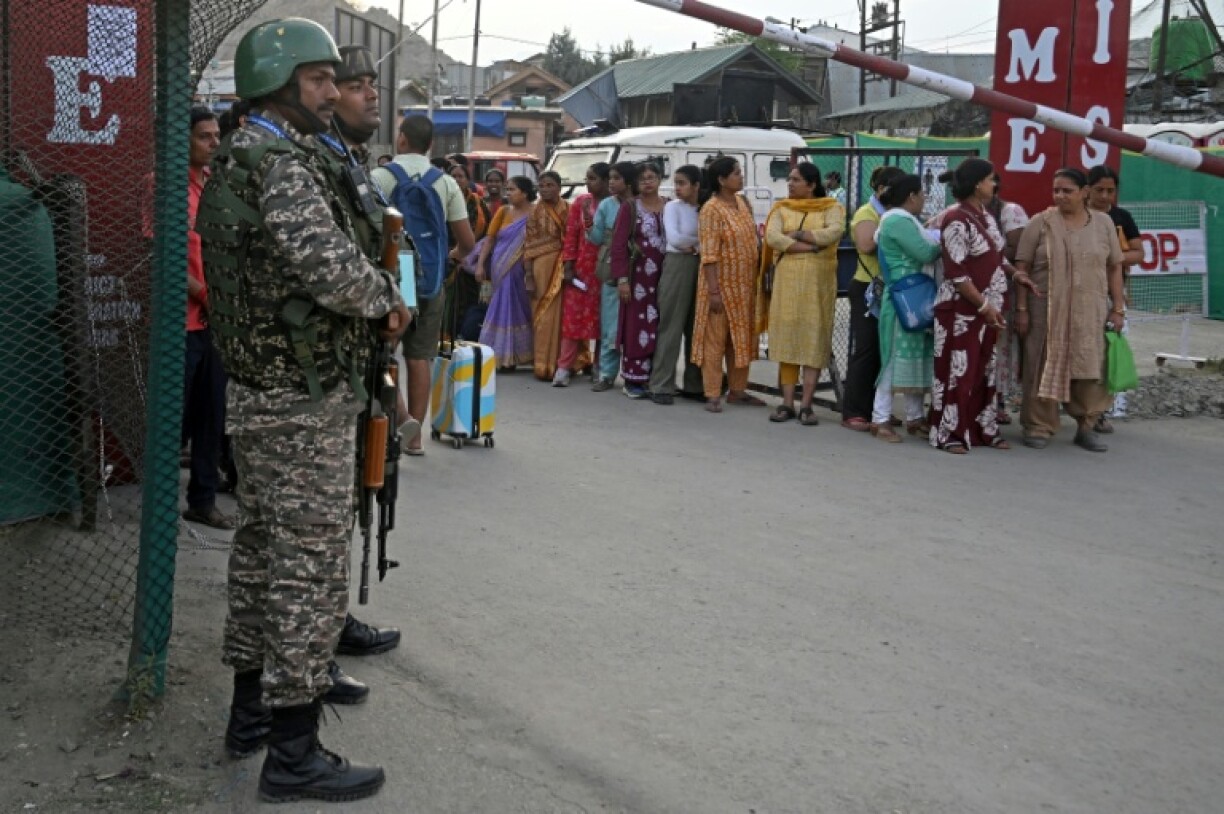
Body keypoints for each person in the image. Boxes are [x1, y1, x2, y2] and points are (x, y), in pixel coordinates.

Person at [197, 18, 412, 802]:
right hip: (301, 398)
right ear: (284, 83)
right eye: (319, 80)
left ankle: (249, 712)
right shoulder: (279, 162)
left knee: (259, 554)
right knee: (307, 569)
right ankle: (292, 750)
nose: (332, 92)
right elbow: (326, 265)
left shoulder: (238, 153)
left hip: (263, 392)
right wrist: (387, 300)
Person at [311, 42, 404, 697]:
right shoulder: (313, 165)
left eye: (374, 83)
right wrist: (385, 300)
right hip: (320, 367)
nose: (370, 94)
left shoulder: (354, 164)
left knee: (349, 500)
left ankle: (330, 621)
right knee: (316, 521)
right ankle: (311, 646)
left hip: (359, 358)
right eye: (354, 84)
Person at [371, 116, 476, 456]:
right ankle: (414, 438)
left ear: (401, 140)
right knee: (420, 358)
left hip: (393, 276)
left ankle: (400, 420)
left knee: (382, 353)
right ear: (430, 145)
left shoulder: (381, 177)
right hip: (429, 276)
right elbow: (468, 242)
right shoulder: (444, 183)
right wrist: (450, 258)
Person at [929, 158, 1039, 454]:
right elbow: (956, 273)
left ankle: (982, 430)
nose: (995, 185)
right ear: (978, 184)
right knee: (957, 372)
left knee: (984, 370)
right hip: (960, 311)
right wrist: (983, 305)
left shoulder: (987, 217)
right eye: (991, 179)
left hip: (987, 310)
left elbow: (994, 256)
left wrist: (1017, 275)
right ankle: (949, 433)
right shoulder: (954, 219)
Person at [1014, 167, 1125, 453]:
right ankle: (1039, 425)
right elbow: (1022, 268)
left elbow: (1114, 266)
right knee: (1041, 365)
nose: (1060, 196)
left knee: (1089, 367)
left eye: (1067, 191)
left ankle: (1086, 426)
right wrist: (1022, 309)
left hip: (1091, 312)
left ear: (1084, 192)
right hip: (1046, 311)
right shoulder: (1041, 223)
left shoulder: (1103, 224)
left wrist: (1118, 308)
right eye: (1056, 191)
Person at [761, 163, 845, 426]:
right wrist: (808, 248)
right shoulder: (781, 208)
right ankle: (786, 403)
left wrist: (797, 233)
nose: (790, 183)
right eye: (789, 179)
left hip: (818, 285)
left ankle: (806, 406)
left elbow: (833, 233)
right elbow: (772, 237)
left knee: (812, 340)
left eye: (796, 180)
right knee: (788, 340)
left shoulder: (832, 208)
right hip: (787, 283)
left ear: (811, 184)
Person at [181, 106, 232, 530]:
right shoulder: (162, 187)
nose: (214, 143)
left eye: (216, 135)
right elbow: (160, 252)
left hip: (214, 323)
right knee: (175, 417)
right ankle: (160, 501)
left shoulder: (214, 185)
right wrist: (203, 294)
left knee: (213, 414)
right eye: (204, 136)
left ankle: (202, 498)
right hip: (180, 324)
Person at [692, 157, 765, 413]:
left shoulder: (743, 204)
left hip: (744, 287)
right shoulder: (711, 209)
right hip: (720, 286)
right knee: (715, 340)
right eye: (736, 173)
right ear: (722, 180)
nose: (741, 177)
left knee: (740, 340)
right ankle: (712, 393)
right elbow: (709, 255)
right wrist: (713, 291)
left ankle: (737, 390)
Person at [871, 174, 940, 442]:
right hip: (903, 298)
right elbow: (925, 253)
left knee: (915, 359)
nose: (924, 200)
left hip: (913, 296)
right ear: (911, 196)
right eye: (922, 195)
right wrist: (943, 241)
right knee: (892, 359)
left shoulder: (902, 220)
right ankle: (880, 419)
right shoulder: (898, 221)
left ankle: (914, 418)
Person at [841, 165, 905, 431]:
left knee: (885, 352)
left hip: (889, 289)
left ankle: (878, 410)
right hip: (868, 288)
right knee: (866, 350)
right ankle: (854, 411)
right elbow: (866, 245)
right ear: (880, 189)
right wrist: (894, 232)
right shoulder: (867, 213)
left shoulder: (896, 214)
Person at [1087, 164, 1143, 432]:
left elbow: (1138, 253)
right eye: (1100, 190)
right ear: (1088, 189)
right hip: (1081, 295)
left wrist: (1112, 259)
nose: (1105, 196)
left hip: (1112, 297)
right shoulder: (1079, 215)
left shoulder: (1121, 217)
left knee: (1111, 353)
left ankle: (1103, 411)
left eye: (1111, 191)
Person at [611, 161, 668, 399]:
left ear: (660, 179)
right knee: (637, 324)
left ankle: (657, 377)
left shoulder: (669, 205)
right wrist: (622, 279)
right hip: (638, 276)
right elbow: (618, 245)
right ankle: (633, 378)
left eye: (651, 176)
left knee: (661, 325)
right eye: (642, 178)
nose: (647, 181)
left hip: (664, 274)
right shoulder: (629, 207)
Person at [649, 164, 706, 404]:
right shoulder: (672, 207)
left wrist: (695, 245)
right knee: (671, 324)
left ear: (696, 186)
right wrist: (697, 245)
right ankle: (661, 384)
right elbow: (674, 238)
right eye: (676, 182)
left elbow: (708, 239)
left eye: (683, 183)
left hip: (701, 265)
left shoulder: (705, 209)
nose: (678, 188)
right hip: (677, 264)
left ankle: (694, 384)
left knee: (696, 327)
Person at [553, 162, 609, 387]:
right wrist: (568, 266)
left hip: (604, 270)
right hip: (581, 270)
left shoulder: (615, 204)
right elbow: (571, 235)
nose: (588, 182)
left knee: (602, 321)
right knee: (572, 320)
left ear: (606, 181)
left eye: (593, 178)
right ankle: (563, 368)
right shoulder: (581, 202)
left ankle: (598, 367)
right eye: (587, 177)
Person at [477, 176, 536, 369]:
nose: (508, 193)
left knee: (521, 306)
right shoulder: (503, 212)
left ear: (525, 193)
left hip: (524, 268)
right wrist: (480, 264)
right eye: (507, 190)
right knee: (501, 305)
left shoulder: (536, 213)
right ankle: (499, 355)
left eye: (512, 190)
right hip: (500, 266)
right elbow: (490, 239)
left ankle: (521, 354)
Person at [589, 162, 636, 391]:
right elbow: (596, 239)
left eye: (616, 178)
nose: (611, 182)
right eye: (610, 178)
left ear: (628, 181)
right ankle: (607, 374)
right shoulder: (607, 205)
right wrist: (590, 225)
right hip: (611, 266)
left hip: (639, 266)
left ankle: (636, 373)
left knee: (637, 323)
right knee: (611, 322)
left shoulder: (639, 204)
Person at [524, 171, 569, 381]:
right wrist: (529, 276)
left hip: (565, 267)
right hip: (540, 268)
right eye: (542, 186)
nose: (545, 189)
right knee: (542, 317)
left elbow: (574, 238)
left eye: (550, 185)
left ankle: (563, 363)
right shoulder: (534, 212)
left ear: (559, 187)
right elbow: (528, 244)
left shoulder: (568, 208)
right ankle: (543, 365)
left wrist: (571, 266)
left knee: (563, 316)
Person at [442, 163, 489, 343]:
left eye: (461, 176)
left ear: (468, 180)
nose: (457, 179)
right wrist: (453, 253)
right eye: (453, 176)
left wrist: (473, 256)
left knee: (470, 301)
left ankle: (466, 339)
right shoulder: (441, 201)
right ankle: (446, 340)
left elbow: (487, 233)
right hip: (449, 259)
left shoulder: (477, 203)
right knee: (448, 303)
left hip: (472, 263)